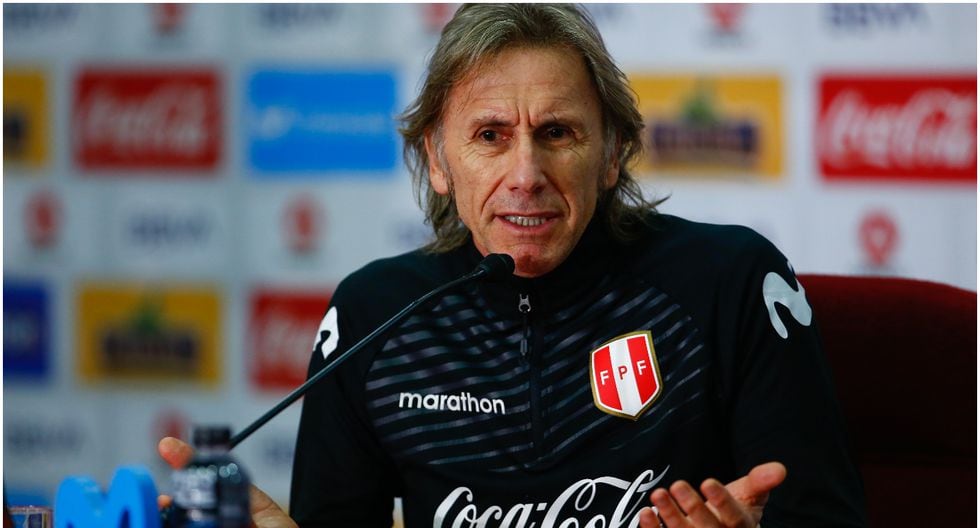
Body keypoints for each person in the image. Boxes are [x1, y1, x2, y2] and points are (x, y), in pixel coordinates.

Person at [160, 4, 866, 527]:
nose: (525, 175)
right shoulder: (375, 315)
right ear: (439, 160)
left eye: (557, 132)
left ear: (611, 153)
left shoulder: (729, 283)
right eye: (490, 136)